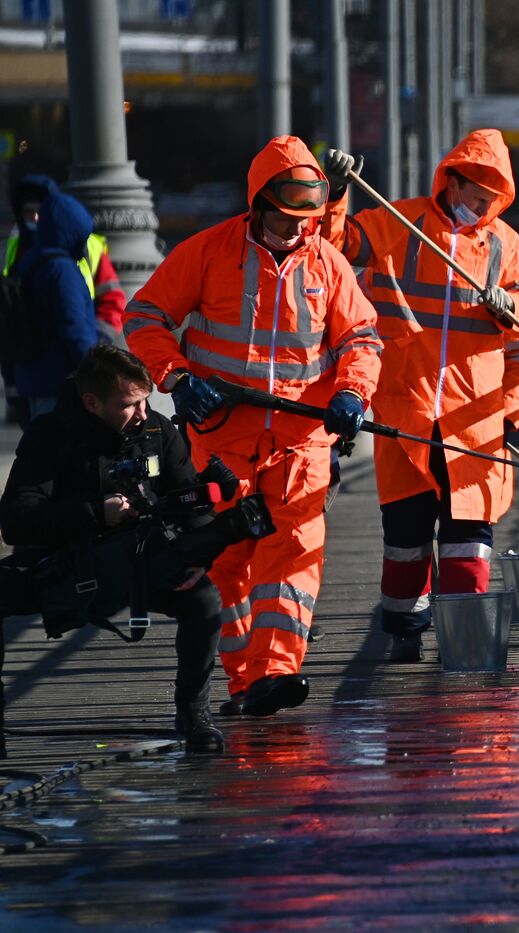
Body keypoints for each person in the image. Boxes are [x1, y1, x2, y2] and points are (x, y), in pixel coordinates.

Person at [124, 135, 382, 717]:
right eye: (285, 218)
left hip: (300, 445)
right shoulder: (209, 252)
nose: (295, 229)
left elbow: (361, 339)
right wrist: (177, 378)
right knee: (227, 564)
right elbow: (144, 315)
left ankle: (277, 671)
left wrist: (351, 392)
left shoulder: (328, 265)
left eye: (305, 219)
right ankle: (245, 681)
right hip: (221, 443)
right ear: (257, 204)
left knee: (293, 556)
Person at [321, 129, 519, 662]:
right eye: (476, 191)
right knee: (405, 535)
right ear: (453, 179)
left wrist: (508, 310)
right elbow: (334, 245)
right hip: (404, 409)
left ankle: (463, 638)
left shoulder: (505, 246)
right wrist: (334, 194)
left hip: (475, 418)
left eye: (493, 196)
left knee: (470, 538)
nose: (483, 203)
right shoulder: (398, 222)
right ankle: (403, 631)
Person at [0, 345, 226, 753]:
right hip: (66, 561)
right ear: (92, 402)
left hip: (138, 561)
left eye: (145, 400)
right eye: (129, 404)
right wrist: (92, 514)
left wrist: (198, 555)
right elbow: (16, 519)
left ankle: (194, 712)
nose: (142, 413)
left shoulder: (157, 430)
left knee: (204, 599)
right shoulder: (51, 435)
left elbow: (193, 502)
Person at [5, 174, 128, 343]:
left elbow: (112, 299)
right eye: (28, 212)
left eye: (39, 211)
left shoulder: (89, 246)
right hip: (31, 351)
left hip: (77, 342)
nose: (34, 218)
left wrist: (100, 338)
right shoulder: (12, 248)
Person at [11, 191, 99, 425]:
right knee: (65, 454)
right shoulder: (62, 270)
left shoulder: (31, 262)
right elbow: (74, 328)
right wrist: (100, 370)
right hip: (61, 381)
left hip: (33, 377)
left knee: (43, 450)